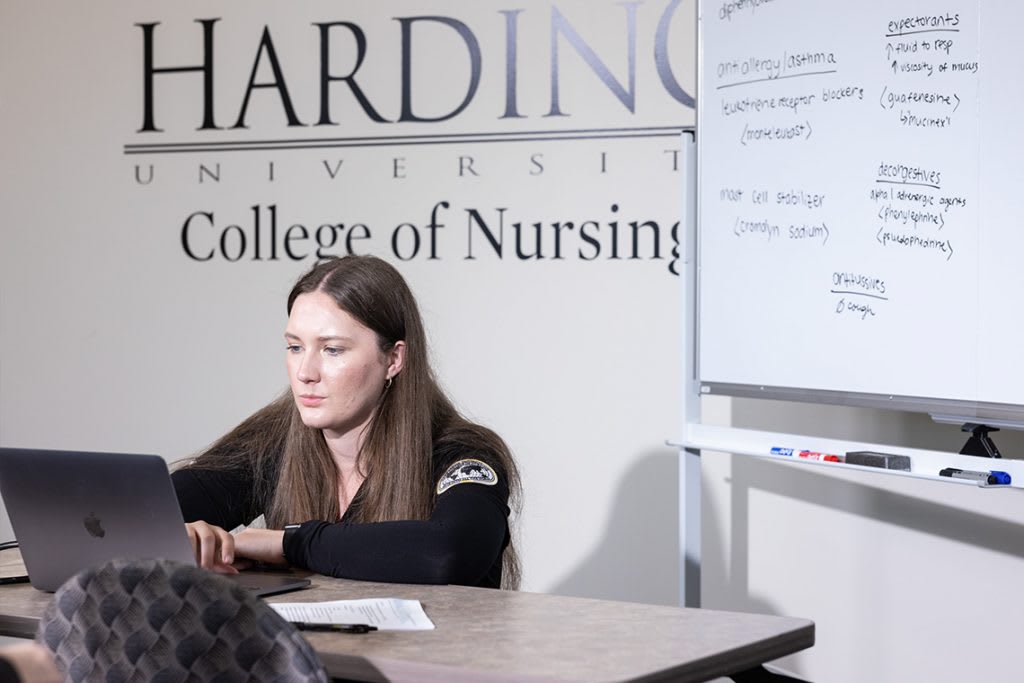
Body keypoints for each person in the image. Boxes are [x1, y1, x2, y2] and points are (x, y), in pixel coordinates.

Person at [171, 255, 520, 589]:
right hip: (308, 651)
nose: (305, 373)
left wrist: (289, 544)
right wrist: (182, 534)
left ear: (394, 358)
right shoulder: (274, 439)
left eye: (332, 349)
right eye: (295, 347)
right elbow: (146, 511)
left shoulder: (460, 452)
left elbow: (448, 552)